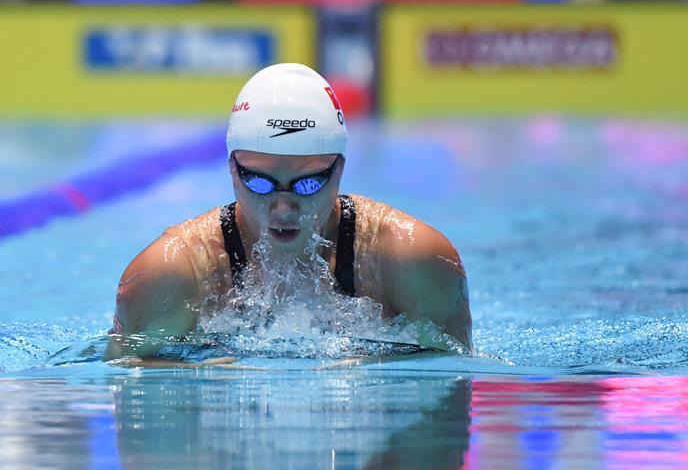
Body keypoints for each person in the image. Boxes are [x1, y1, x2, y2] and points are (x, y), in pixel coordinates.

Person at [105, 63, 471, 361]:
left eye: (307, 183)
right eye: (261, 183)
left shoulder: (411, 262)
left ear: (339, 169)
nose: (283, 206)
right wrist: (190, 375)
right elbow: (126, 392)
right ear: (232, 169)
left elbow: (451, 393)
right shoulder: (172, 274)